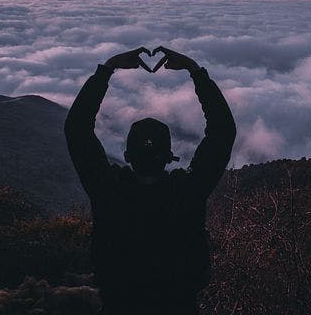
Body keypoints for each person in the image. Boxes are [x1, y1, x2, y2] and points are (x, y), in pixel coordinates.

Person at [64, 46, 236, 315]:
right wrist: (195, 71)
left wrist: (107, 69)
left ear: (127, 156)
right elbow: (222, 131)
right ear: (169, 157)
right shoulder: (187, 193)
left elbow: (77, 129)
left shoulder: (108, 191)